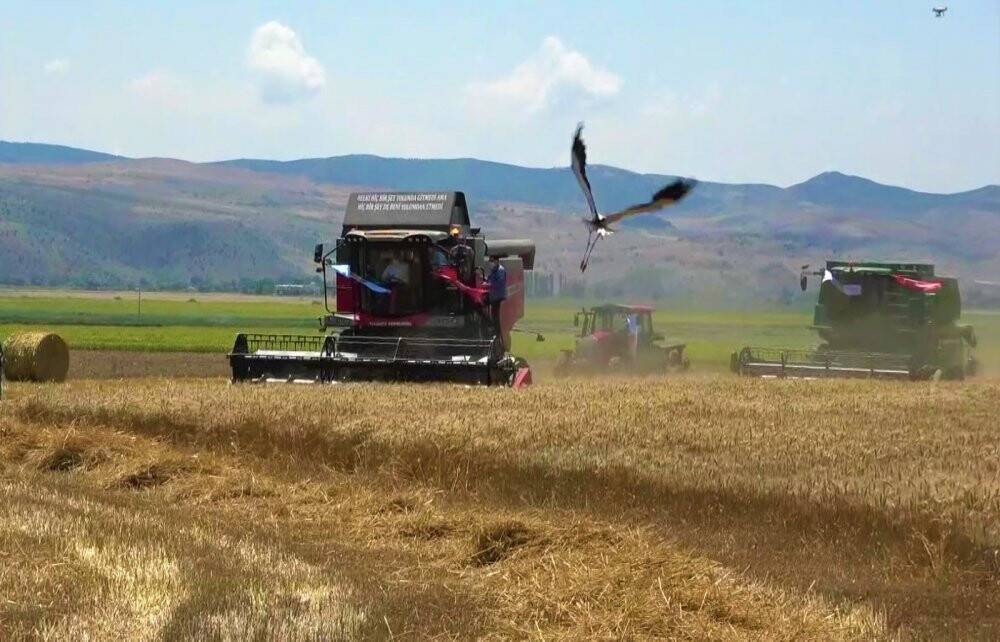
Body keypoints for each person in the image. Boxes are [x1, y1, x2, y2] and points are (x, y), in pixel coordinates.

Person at [486, 256, 507, 350]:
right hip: (493, 297)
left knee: (496, 319)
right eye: (490, 262)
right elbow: (489, 279)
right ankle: (494, 334)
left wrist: (489, 285)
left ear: (497, 261)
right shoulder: (494, 270)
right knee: (492, 317)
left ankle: (498, 340)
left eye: (492, 261)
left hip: (498, 297)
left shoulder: (500, 270)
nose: (491, 263)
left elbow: (499, 284)